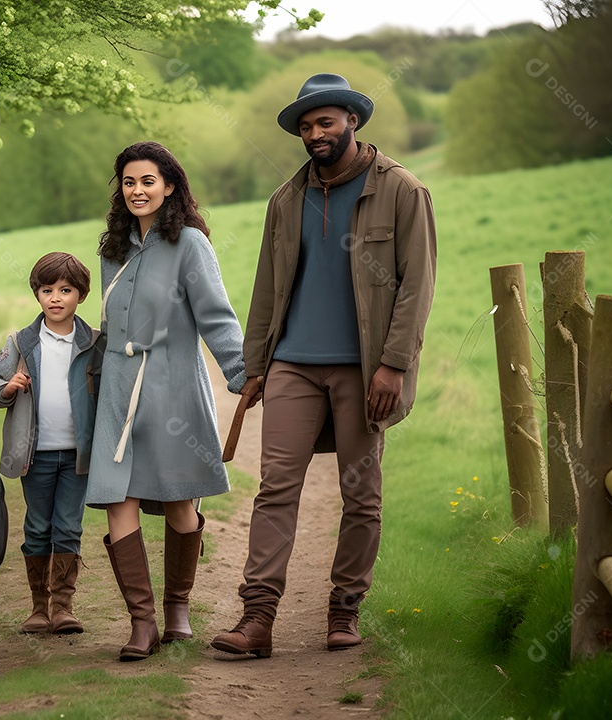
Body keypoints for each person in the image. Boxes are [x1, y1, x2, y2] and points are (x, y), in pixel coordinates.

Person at [210, 73, 437, 656]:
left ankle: (344, 610)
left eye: (325, 122)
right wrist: (254, 364)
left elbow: (417, 287)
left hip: (366, 371)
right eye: (306, 126)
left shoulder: (402, 191)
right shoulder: (285, 201)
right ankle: (257, 619)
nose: (315, 133)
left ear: (352, 122)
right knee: (275, 489)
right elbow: (267, 288)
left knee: (360, 495)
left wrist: (393, 366)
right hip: (292, 366)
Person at [88, 141, 246, 661]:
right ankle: (142, 622)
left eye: (148, 181)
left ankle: (178, 607)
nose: (137, 191)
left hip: (174, 384)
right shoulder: (112, 248)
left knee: (179, 499)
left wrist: (241, 372)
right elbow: (109, 328)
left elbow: (216, 316)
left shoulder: (192, 244)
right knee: (118, 497)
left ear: (169, 185)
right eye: (129, 182)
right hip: (117, 385)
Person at [0, 252, 99, 636]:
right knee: (37, 526)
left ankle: (63, 607)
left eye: (66, 290)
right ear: (37, 294)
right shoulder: (21, 341)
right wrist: (7, 388)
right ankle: (38, 607)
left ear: (80, 295)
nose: (56, 297)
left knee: (68, 526)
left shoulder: (94, 342)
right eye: (47, 290)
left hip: (78, 456)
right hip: (35, 455)